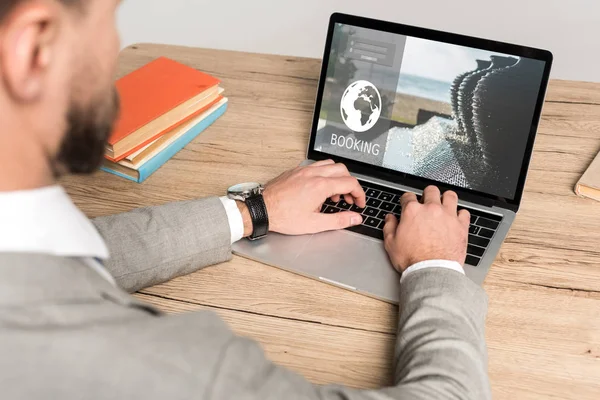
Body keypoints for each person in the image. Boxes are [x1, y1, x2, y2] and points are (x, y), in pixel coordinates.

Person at [0, 1, 491, 399]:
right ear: (32, 46)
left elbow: (63, 263)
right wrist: (436, 266)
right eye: (108, 17)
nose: (113, 49)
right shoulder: (162, 368)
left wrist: (251, 211)